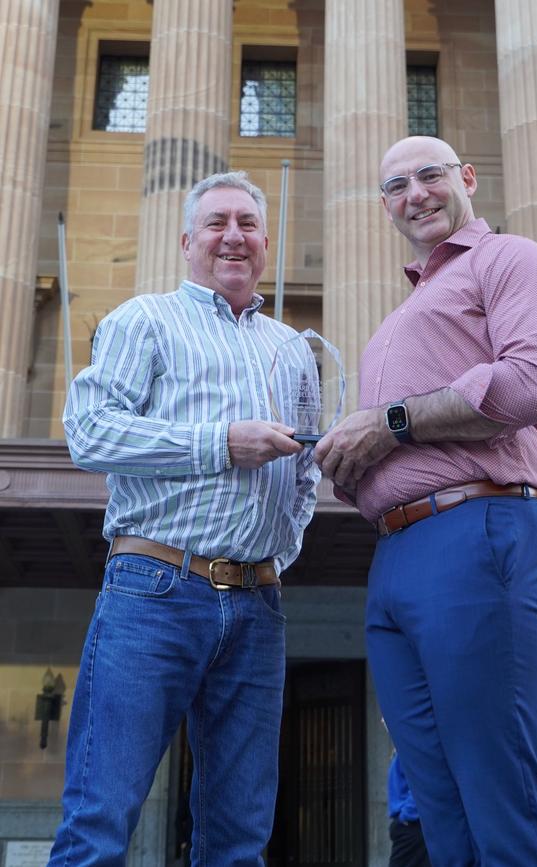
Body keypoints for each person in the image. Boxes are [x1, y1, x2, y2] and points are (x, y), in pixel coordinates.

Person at [314, 136, 537, 866]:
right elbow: (382, 445)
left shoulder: (509, 259)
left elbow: (534, 383)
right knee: (440, 813)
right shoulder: (409, 307)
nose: (415, 194)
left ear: (467, 177)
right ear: (385, 205)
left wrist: (390, 423)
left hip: (476, 526)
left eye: (430, 175)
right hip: (396, 554)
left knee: (500, 793)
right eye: (395, 185)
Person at [48, 171, 320, 867]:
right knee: (99, 820)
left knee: (239, 837)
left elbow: (306, 471)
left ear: (266, 241)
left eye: (248, 223)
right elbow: (90, 433)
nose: (234, 235)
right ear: (187, 240)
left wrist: (276, 556)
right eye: (217, 222)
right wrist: (221, 442)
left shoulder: (293, 350)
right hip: (154, 585)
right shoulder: (144, 320)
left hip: (258, 602)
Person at [388, 752, 432, 867]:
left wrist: (407, 816)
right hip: (409, 823)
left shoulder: (409, 750)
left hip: (411, 825)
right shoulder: (401, 750)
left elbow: (420, 785)